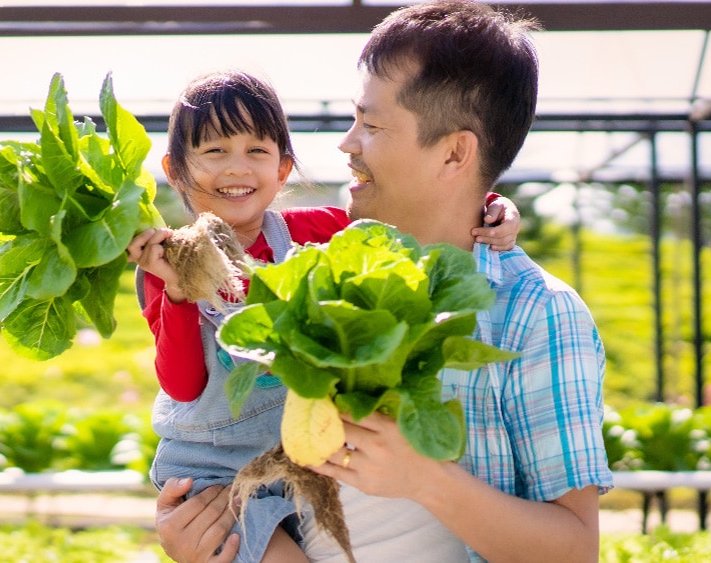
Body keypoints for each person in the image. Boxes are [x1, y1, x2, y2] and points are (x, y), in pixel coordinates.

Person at [153, 1, 614, 562]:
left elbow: (574, 551)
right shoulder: (320, 276)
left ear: (454, 153)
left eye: (370, 125)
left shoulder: (534, 312)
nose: (346, 144)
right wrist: (207, 540)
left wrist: (425, 479)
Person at [131, 69, 521, 563]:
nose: (238, 168)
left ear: (283, 169)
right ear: (176, 169)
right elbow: (183, 386)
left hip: (301, 455)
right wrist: (181, 292)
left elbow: (414, 214)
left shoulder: (315, 230)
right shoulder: (162, 266)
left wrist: (491, 205)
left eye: (257, 151)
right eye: (214, 151)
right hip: (215, 472)